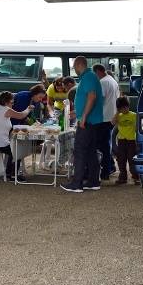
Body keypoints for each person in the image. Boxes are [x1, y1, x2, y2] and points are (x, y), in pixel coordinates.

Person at [61, 56, 103, 193]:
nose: (74, 69)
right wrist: (78, 113)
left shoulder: (88, 77)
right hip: (91, 120)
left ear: (79, 65)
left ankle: (76, 183)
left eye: (74, 67)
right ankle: (93, 181)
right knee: (90, 151)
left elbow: (92, 97)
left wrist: (83, 117)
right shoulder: (89, 77)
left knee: (79, 150)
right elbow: (87, 98)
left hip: (88, 121)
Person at [0, 91, 33, 182]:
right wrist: (28, 109)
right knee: (18, 149)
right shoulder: (5, 109)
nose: (12, 105)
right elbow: (21, 115)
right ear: (6, 102)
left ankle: (9, 172)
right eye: (11, 103)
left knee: (13, 147)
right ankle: (12, 175)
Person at [92, 64, 119, 180]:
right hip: (111, 117)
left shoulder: (103, 82)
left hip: (103, 118)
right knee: (107, 144)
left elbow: (99, 101)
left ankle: (105, 171)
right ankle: (111, 167)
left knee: (102, 146)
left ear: (98, 72)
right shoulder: (113, 81)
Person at [112, 96, 139, 185]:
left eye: (126, 107)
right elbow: (113, 122)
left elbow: (137, 128)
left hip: (131, 141)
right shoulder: (118, 116)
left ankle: (136, 176)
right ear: (119, 109)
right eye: (122, 108)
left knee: (132, 160)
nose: (125, 109)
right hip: (121, 141)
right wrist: (117, 113)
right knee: (121, 160)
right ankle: (122, 177)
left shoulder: (134, 115)